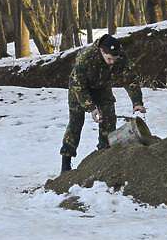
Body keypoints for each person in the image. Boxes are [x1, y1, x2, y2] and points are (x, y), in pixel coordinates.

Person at [60, 34, 146, 171]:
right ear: (102, 51)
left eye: (114, 59)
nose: (112, 62)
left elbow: (130, 79)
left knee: (109, 118)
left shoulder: (119, 56)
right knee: (76, 123)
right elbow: (79, 87)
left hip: (102, 87)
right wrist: (92, 108)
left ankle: (104, 155)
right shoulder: (85, 58)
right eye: (109, 59)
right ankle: (66, 161)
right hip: (79, 88)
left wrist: (137, 102)